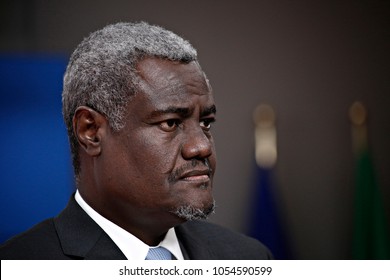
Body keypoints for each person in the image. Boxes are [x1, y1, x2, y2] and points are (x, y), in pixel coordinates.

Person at [0, 22, 272, 260]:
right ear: (90, 131)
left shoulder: (248, 258)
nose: (202, 146)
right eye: (171, 123)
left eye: (205, 123)